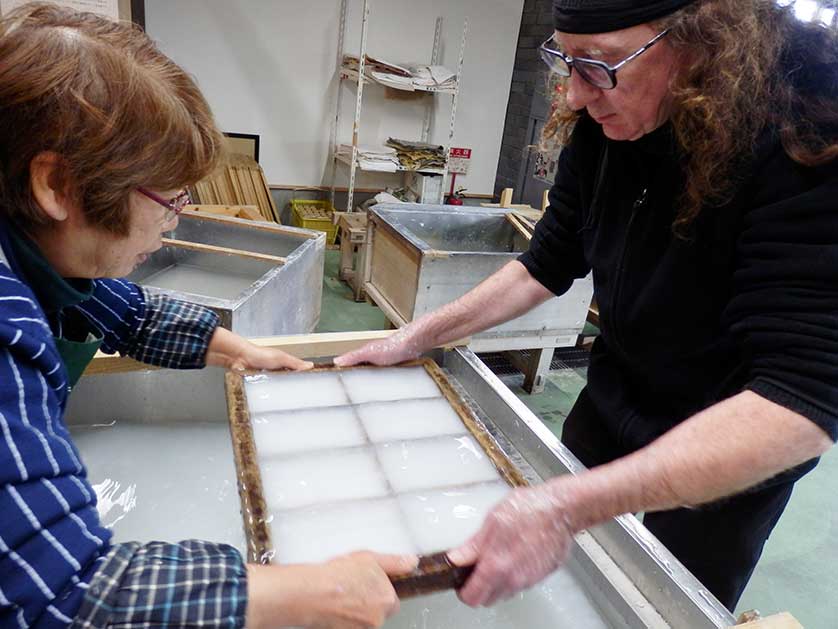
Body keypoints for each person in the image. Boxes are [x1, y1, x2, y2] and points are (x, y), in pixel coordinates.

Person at [336, 0, 838, 612]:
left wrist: (565, 505)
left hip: (729, 437)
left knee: (661, 603)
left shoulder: (807, 136)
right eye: (566, 62)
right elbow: (545, 264)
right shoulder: (612, 123)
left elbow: (801, 399)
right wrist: (418, 336)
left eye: (597, 66)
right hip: (616, 391)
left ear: (702, 44)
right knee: (569, 585)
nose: (575, 95)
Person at [0, 4, 415, 628]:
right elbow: (64, 594)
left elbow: (122, 311)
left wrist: (234, 350)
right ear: (57, 185)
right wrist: (319, 592)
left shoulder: (33, 246)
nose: (170, 228)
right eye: (166, 201)